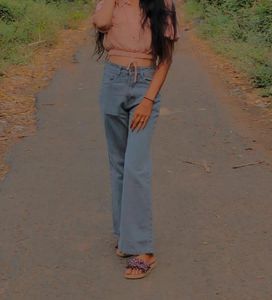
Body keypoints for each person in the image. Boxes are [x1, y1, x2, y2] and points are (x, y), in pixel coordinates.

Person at [92, 0, 179, 279]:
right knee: (118, 164)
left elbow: (165, 59)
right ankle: (124, 237)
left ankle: (143, 250)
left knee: (135, 167)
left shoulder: (162, 4)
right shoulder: (112, 3)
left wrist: (148, 100)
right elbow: (101, 23)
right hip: (113, 81)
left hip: (144, 84)